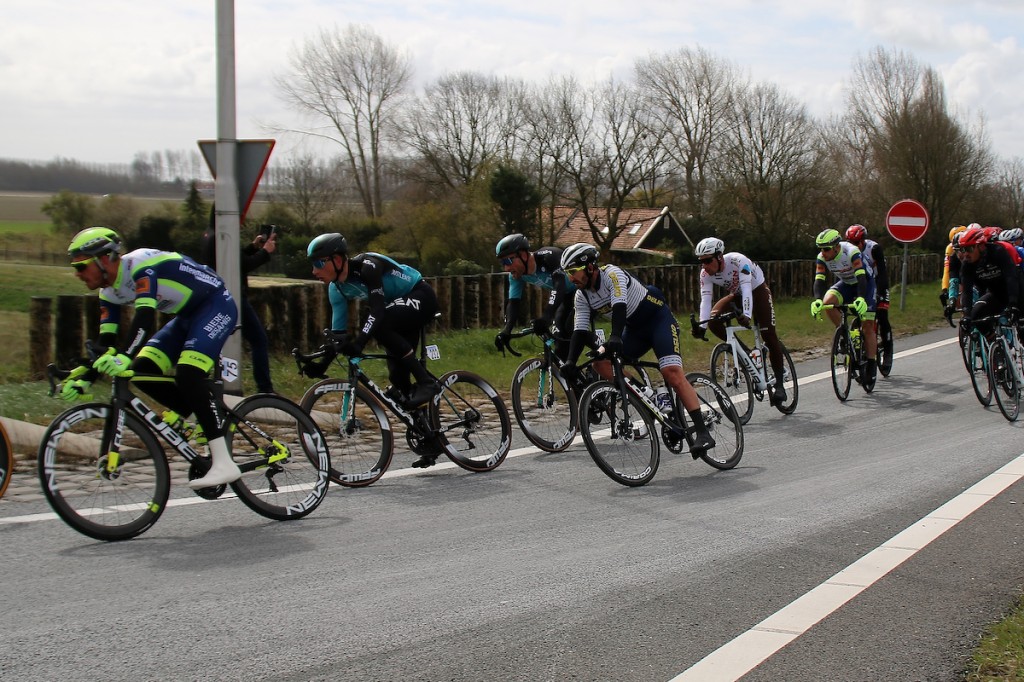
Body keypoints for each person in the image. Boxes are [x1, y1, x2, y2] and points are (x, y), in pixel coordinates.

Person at [64, 226, 241, 489]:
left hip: (215, 305)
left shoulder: (140, 265)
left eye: (81, 267)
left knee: (188, 374)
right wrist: (86, 375)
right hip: (185, 317)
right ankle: (203, 420)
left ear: (103, 259)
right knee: (142, 369)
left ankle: (224, 463)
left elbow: (144, 318)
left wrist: (124, 356)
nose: (77, 274)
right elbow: (106, 343)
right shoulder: (108, 293)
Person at [556, 243, 716, 455]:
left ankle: (703, 433)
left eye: (573, 272)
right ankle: (649, 398)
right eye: (567, 273)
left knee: (671, 373)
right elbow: (579, 330)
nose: (570, 278)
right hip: (634, 329)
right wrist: (570, 362)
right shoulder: (581, 295)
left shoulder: (612, 274)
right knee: (600, 363)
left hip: (658, 320)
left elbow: (620, 307)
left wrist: (614, 337)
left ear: (590, 267)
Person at [303, 233, 443, 467]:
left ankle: (427, 383)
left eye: (319, 263)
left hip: (419, 295)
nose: (314, 271)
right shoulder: (336, 289)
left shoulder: (367, 267)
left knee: (380, 323)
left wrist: (359, 343)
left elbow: (377, 312)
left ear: (338, 260)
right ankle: (430, 438)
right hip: (395, 309)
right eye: (312, 264)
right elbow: (338, 336)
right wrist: (321, 365)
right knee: (398, 378)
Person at [691, 237, 788, 405]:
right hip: (737, 295)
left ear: (720, 257)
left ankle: (780, 385)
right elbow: (705, 300)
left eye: (707, 260)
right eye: (701, 262)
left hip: (757, 291)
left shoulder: (738, 260)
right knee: (713, 321)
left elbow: (746, 288)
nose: (705, 266)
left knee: (769, 335)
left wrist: (747, 315)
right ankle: (749, 355)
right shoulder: (704, 274)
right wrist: (702, 326)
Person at [199, 223, 277, 394]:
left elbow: (233, 258)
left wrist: (251, 247)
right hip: (232, 296)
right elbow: (239, 265)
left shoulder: (212, 235)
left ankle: (205, 381)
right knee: (258, 340)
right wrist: (265, 251)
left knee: (215, 342)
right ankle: (264, 389)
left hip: (216, 295)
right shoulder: (222, 235)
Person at [810, 228, 877, 385]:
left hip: (865, 284)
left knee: (867, 326)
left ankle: (872, 364)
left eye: (826, 249)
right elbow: (819, 279)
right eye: (820, 249)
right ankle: (844, 332)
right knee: (827, 303)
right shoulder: (822, 258)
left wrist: (861, 298)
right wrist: (817, 300)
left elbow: (861, 276)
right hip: (846, 283)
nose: (823, 253)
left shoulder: (851, 251)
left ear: (836, 247)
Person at [492, 233, 572, 358]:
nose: (506, 268)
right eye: (503, 263)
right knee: (560, 345)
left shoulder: (548, 256)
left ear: (523, 255)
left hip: (586, 291)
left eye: (508, 261)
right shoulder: (516, 275)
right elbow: (513, 302)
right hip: (567, 296)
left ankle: (604, 353)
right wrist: (506, 331)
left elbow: (559, 286)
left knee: (573, 330)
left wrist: (546, 317)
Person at [957, 225, 1024, 329]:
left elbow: (1011, 277)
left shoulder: (998, 252)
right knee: (976, 316)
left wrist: (1013, 304)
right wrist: (967, 314)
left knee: (1021, 325)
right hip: (996, 294)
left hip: (1017, 291)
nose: (965, 254)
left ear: (981, 246)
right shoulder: (967, 264)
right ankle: (994, 343)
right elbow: (967, 290)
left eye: (969, 249)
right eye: (963, 249)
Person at [844, 225, 892, 361]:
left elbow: (882, 273)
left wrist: (881, 292)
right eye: (850, 243)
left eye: (856, 243)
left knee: (882, 314)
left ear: (863, 241)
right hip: (860, 283)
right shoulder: (846, 251)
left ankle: (887, 349)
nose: (854, 246)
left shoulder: (874, 248)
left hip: (877, 281)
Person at [941, 225, 968, 310]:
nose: (960, 252)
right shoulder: (950, 249)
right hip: (960, 270)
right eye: (956, 248)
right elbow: (947, 270)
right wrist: (944, 289)